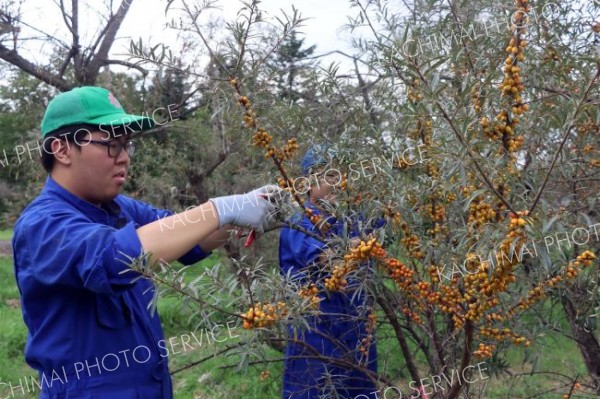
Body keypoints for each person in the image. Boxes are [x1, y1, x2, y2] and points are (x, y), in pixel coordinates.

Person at [11, 86, 282, 399]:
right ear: (61, 149)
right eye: (112, 145)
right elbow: (116, 259)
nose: (124, 158)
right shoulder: (42, 226)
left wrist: (249, 212)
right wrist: (219, 209)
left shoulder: (119, 208)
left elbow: (189, 240)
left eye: (127, 146)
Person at [279, 146, 379, 399]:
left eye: (341, 175)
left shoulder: (355, 218)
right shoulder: (299, 223)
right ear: (307, 185)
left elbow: (394, 219)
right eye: (327, 176)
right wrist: (367, 242)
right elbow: (335, 264)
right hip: (316, 339)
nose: (337, 183)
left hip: (359, 336)